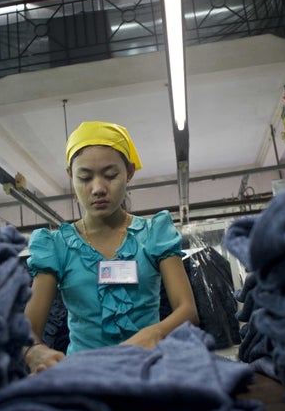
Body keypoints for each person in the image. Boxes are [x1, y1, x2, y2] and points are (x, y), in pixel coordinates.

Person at [23, 120, 199, 374]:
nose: (97, 189)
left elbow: (188, 310)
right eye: (84, 177)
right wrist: (33, 350)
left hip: (149, 370)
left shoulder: (153, 235)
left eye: (110, 175)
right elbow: (29, 328)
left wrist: (155, 334)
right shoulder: (56, 246)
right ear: (70, 176)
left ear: (129, 172)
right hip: (84, 377)